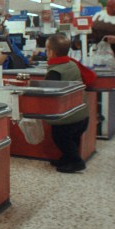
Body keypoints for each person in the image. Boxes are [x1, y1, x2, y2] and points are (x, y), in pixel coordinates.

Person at [44, 33, 95, 173]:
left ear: (51, 52)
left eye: (46, 50)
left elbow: (48, 94)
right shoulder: (72, 63)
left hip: (67, 118)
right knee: (72, 139)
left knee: (61, 138)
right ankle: (67, 158)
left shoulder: (54, 72)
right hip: (82, 113)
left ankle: (76, 162)